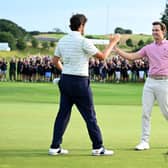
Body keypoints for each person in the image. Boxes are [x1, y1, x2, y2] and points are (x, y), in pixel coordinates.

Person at [49, 13, 120, 156]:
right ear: (81, 26)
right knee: (90, 116)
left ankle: (55, 147)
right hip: (80, 82)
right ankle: (98, 147)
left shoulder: (62, 41)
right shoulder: (83, 41)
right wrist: (113, 42)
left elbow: (55, 61)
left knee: (62, 114)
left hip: (65, 80)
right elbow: (102, 57)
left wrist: (65, 73)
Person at [114, 21, 168, 150]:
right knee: (145, 112)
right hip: (150, 82)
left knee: (166, 113)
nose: (154, 32)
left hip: (164, 82)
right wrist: (116, 49)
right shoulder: (148, 48)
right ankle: (144, 141)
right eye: (153, 30)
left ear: (163, 31)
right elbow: (132, 56)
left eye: (157, 30)